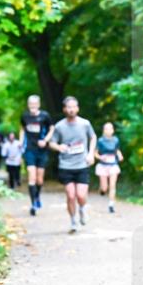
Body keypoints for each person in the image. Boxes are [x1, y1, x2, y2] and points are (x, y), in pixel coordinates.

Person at [49, 96, 96, 233]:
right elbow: (51, 143)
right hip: (66, 165)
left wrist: (91, 153)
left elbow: (93, 137)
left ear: (77, 108)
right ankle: (73, 221)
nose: (71, 109)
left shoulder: (85, 124)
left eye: (74, 107)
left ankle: (82, 209)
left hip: (82, 164)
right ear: (64, 109)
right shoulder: (59, 126)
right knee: (70, 195)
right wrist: (59, 147)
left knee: (81, 195)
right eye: (68, 107)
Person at [20, 96, 54, 215]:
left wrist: (45, 140)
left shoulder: (45, 116)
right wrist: (20, 142)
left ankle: (37, 196)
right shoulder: (25, 116)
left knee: (39, 179)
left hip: (42, 150)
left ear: (38, 104)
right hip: (30, 149)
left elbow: (51, 128)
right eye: (30, 104)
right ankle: (33, 203)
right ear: (28, 105)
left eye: (35, 104)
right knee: (32, 176)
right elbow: (22, 129)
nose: (33, 106)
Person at [94, 122, 124, 213]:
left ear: (113, 130)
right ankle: (102, 190)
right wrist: (100, 157)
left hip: (113, 165)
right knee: (105, 187)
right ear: (104, 130)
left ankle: (111, 205)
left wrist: (120, 155)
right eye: (106, 128)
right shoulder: (100, 141)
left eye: (110, 128)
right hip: (103, 165)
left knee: (112, 185)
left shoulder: (116, 140)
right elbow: (95, 153)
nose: (108, 130)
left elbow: (117, 150)